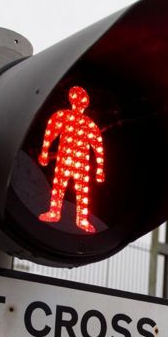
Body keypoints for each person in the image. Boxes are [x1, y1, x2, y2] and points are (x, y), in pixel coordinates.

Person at [37, 85, 106, 233]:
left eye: (82, 100)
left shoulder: (87, 124)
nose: (79, 103)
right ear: (71, 99)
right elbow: (50, 133)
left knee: (80, 192)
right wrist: (44, 152)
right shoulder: (65, 117)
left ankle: (81, 219)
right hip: (66, 161)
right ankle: (55, 212)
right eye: (77, 99)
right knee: (60, 188)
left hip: (80, 165)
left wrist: (100, 169)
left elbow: (97, 147)